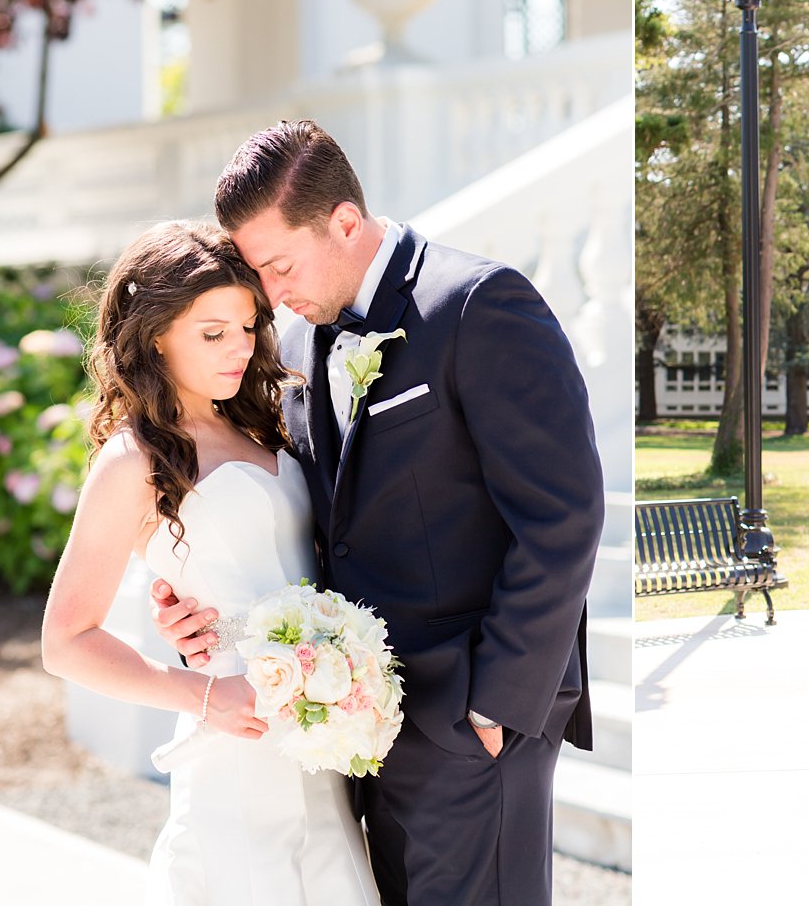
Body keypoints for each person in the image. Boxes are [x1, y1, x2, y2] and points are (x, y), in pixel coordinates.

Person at [150, 119, 604, 906]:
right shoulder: (303, 338)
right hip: (360, 730)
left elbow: (563, 514)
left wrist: (495, 701)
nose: (270, 294)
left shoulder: (478, 304)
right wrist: (208, 613)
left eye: (279, 265)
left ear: (346, 223)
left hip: (471, 721)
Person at [40, 221, 380, 904]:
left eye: (248, 326)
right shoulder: (135, 460)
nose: (240, 348)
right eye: (212, 332)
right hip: (235, 741)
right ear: (158, 333)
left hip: (319, 738)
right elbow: (66, 641)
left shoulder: (264, 422)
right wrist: (203, 695)